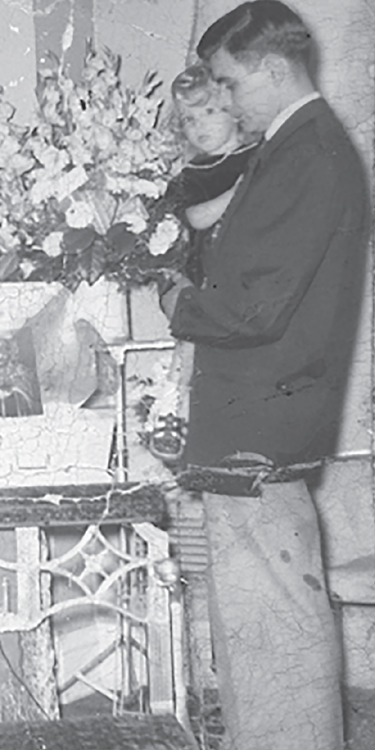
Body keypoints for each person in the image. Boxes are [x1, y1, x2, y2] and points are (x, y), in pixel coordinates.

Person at [161, 0, 368, 750]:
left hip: (267, 413)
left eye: (232, 81)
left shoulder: (306, 153)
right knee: (249, 599)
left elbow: (256, 306)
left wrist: (180, 303)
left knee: (275, 602)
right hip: (256, 409)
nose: (225, 99)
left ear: (272, 70)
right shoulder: (289, 149)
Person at [147, 63, 258, 462]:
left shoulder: (259, 156)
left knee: (202, 342)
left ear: (235, 109)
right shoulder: (193, 174)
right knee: (192, 326)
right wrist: (238, 194)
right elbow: (191, 217)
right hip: (197, 274)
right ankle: (172, 406)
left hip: (243, 276)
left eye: (210, 112)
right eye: (190, 119)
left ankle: (171, 403)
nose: (200, 126)